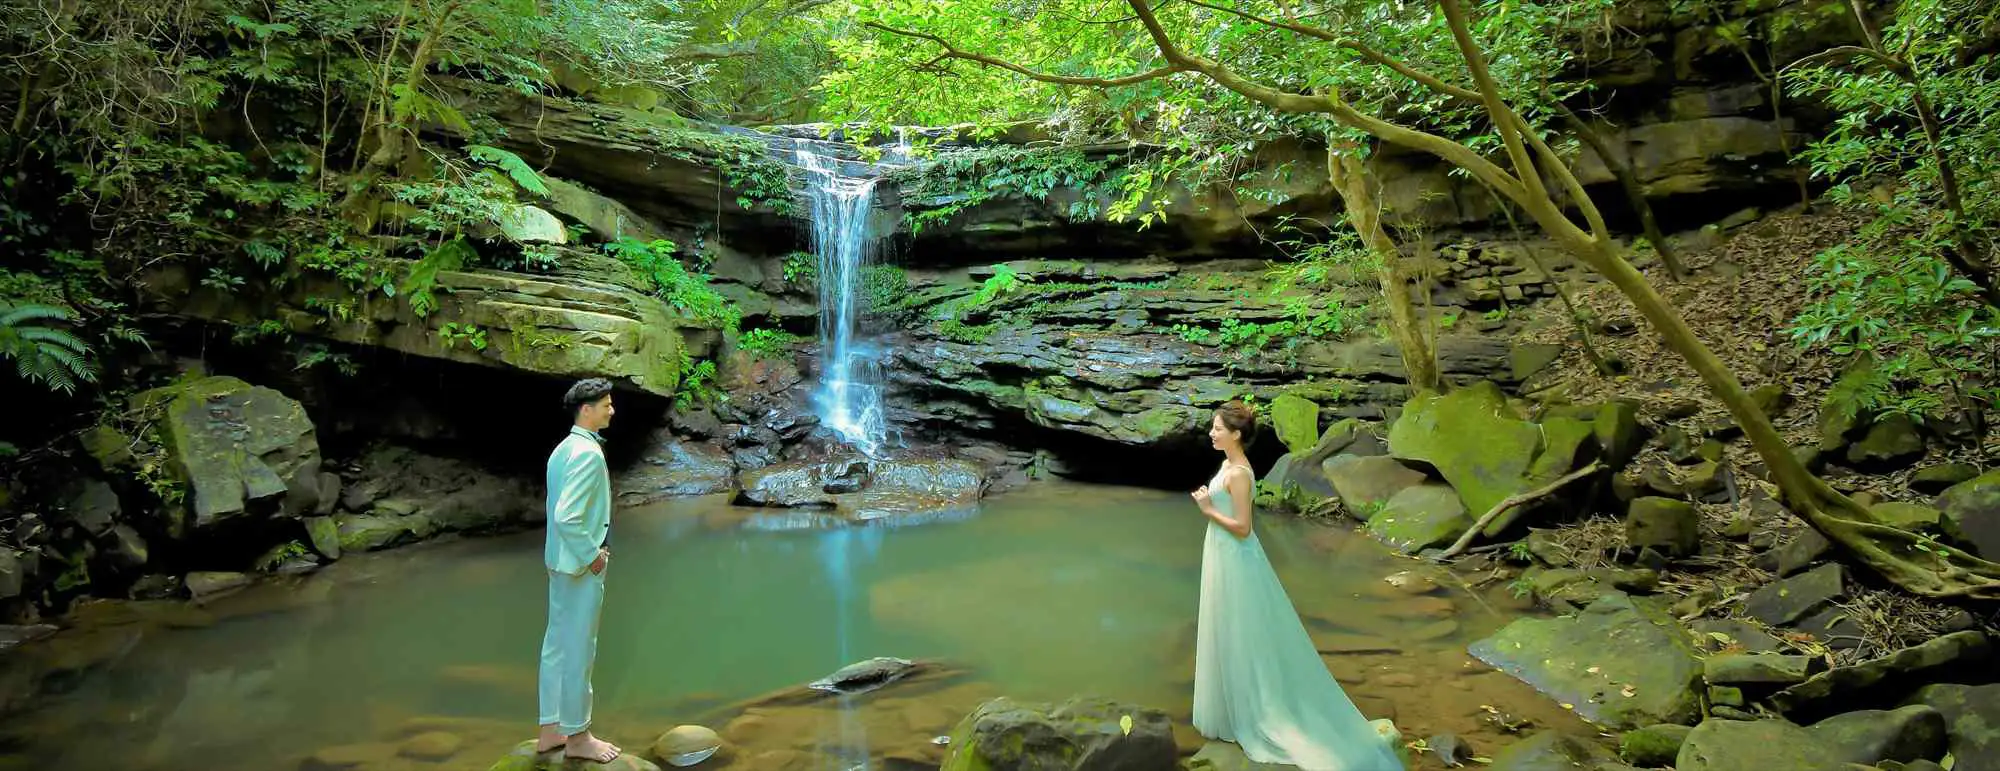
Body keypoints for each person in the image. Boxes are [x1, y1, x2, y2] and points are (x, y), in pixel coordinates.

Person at [1190, 401, 1404, 771]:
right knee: (1225, 626)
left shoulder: (1239, 473)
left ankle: (1257, 709)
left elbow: (1244, 527)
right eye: (1214, 427)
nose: (1212, 433)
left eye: (1218, 428)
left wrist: (1208, 509)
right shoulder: (1226, 464)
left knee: (1244, 630)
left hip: (1236, 556)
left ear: (1236, 434)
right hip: (1221, 553)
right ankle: (1230, 708)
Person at [535, 378, 620, 763]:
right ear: (586, 410)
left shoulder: (563, 449)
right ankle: (578, 736)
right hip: (579, 565)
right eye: (606, 405)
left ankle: (550, 729)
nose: (612, 410)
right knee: (580, 649)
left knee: (556, 646)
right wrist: (592, 555)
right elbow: (567, 515)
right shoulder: (588, 453)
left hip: (558, 562)